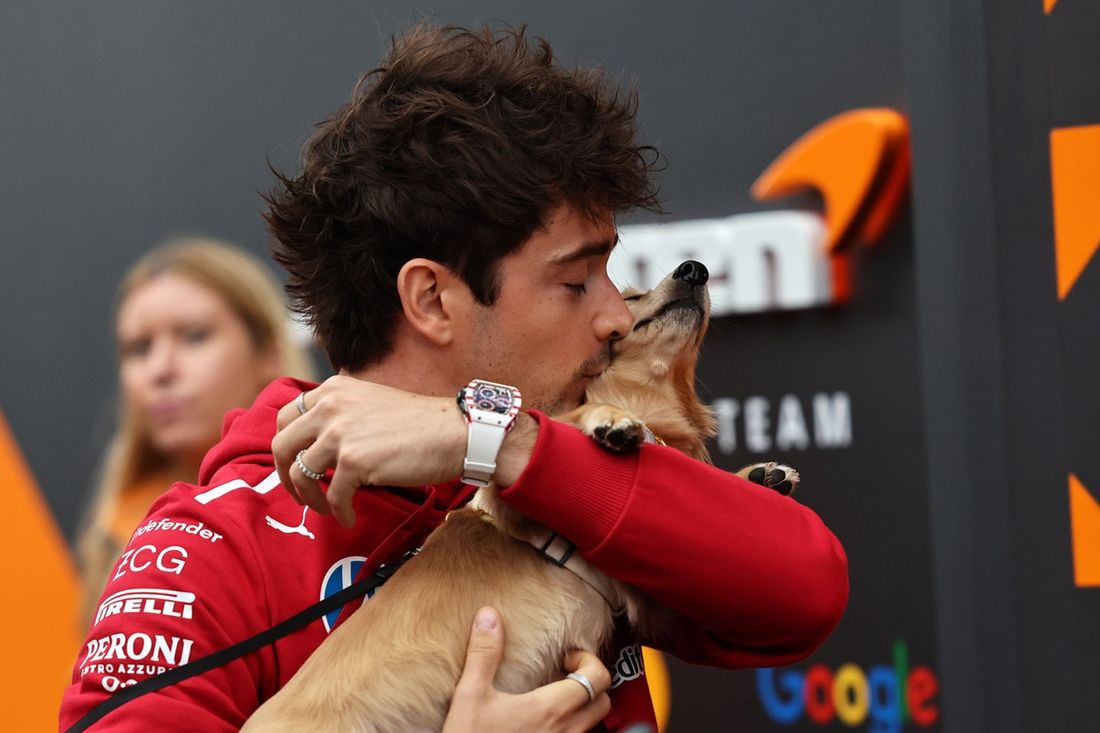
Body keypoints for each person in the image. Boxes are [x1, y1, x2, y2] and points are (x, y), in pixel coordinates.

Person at [59, 25, 848, 733]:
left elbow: (806, 589)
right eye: (576, 282)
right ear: (434, 300)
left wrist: (498, 442)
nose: (615, 316)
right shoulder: (213, 543)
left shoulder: (567, 465)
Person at [74, 239, 315, 628]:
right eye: (140, 348)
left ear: (268, 355)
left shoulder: (331, 501)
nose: (161, 369)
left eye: (194, 336)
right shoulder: (111, 532)